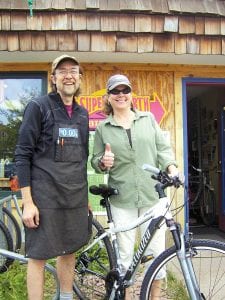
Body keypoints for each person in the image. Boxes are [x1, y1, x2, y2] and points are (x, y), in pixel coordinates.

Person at [91, 74, 179, 299]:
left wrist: (171, 168)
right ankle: (126, 296)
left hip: (152, 196)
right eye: (115, 92)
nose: (121, 95)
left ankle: (154, 297)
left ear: (131, 95)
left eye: (125, 91)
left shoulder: (148, 119)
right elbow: (96, 160)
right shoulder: (103, 127)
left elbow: (163, 150)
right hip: (122, 198)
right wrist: (103, 162)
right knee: (125, 256)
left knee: (156, 253)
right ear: (108, 97)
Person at [15, 54, 90, 300]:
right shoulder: (38, 107)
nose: (68, 75)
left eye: (73, 71)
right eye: (62, 71)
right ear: (53, 78)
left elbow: (81, 158)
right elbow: (22, 155)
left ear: (79, 78)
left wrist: (85, 196)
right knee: (38, 257)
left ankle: (66, 297)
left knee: (68, 251)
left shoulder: (82, 114)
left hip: (74, 197)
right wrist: (28, 202)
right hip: (44, 197)